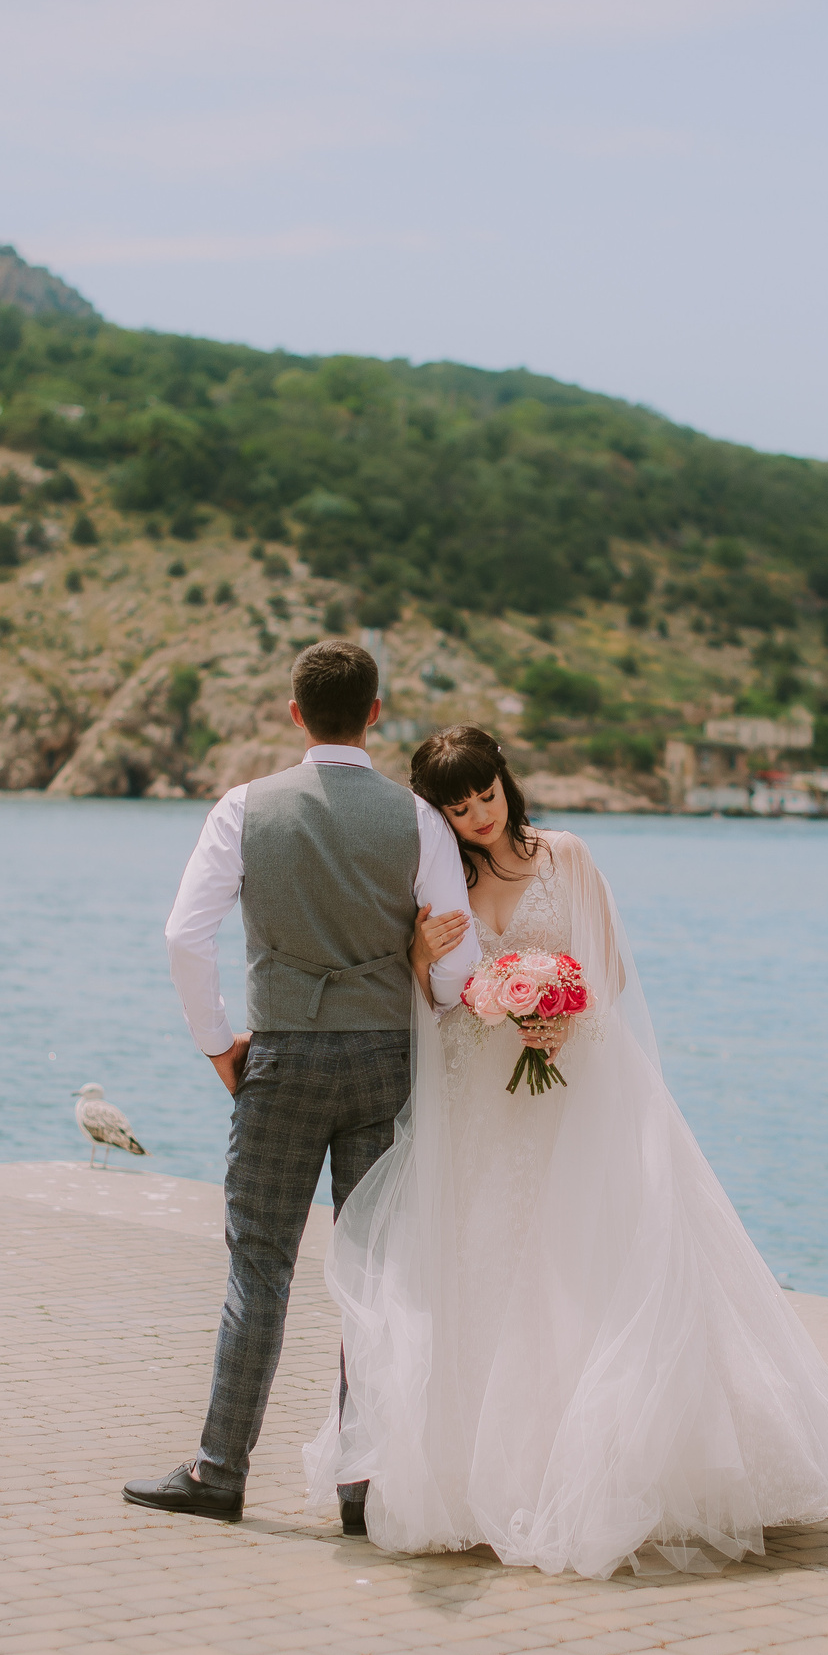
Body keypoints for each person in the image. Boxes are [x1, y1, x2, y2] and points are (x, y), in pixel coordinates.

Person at [301, 725, 828, 1579]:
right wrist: (423, 962)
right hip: (477, 1098)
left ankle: (610, 1470)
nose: (478, 818)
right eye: (458, 809)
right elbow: (437, 999)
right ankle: (481, 1479)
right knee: (487, 1266)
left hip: (573, 1086)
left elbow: (607, 969)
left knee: (586, 1260)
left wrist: (562, 1009)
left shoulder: (564, 855)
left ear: (507, 781)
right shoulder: (437, 877)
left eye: (487, 797)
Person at [126, 641, 479, 1530]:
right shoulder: (417, 820)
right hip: (382, 1063)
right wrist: (425, 1003)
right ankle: (360, 1491)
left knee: (260, 1270)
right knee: (372, 1278)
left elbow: (184, 936)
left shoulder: (244, 809)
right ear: (374, 713)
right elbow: (457, 954)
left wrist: (218, 1045)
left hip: (280, 1060)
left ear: (294, 713)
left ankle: (219, 1472)